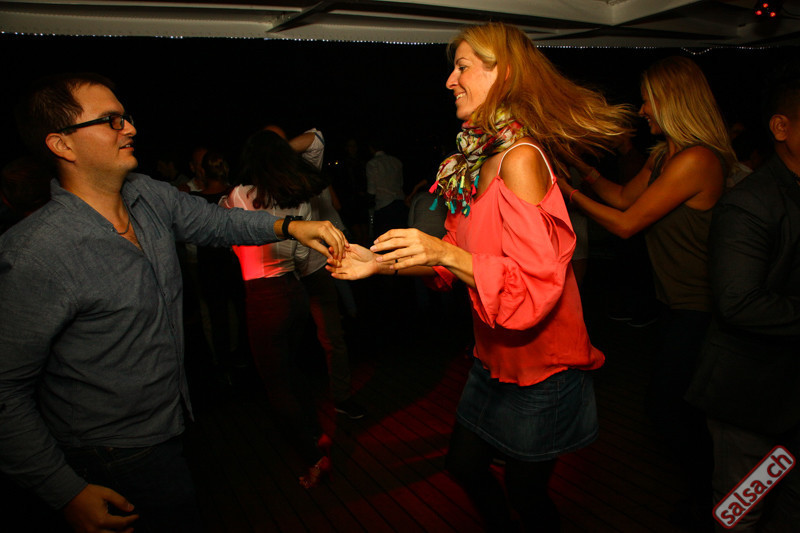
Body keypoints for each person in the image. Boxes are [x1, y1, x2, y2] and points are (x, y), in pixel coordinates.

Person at [0, 72, 346, 533]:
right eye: (111, 120)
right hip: (106, 455)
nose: (130, 128)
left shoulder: (147, 196)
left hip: (174, 424)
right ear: (62, 145)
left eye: (126, 117)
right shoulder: (35, 253)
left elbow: (218, 224)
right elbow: (5, 389)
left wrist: (288, 227)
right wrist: (63, 489)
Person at [328, 22, 630, 531]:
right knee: (464, 466)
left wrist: (443, 252)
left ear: (503, 74)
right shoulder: (477, 159)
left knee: (527, 496)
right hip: (492, 359)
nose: (450, 80)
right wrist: (380, 263)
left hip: (544, 368)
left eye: (463, 66)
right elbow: (454, 263)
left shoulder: (520, 159)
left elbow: (533, 284)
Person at [556, 56, 736, 526]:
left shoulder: (697, 159)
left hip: (701, 307)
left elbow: (625, 223)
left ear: (672, 100)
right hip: (674, 305)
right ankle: (710, 496)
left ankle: (715, 497)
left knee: (666, 408)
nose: (641, 110)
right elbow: (619, 196)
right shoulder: (662, 157)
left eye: (648, 99)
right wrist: (576, 167)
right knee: (683, 408)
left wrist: (565, 193)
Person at [686, 65, 800, 531]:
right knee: (743, 509)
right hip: (755, 400)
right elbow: (739, 301)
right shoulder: (751, 203)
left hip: (791, 395)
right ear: (781, 127)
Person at [221, 129, 333, 488]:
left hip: (263, 296)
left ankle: (313, 459)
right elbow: (300, 254)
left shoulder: (240, 195)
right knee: (292, 369)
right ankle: (315, 431)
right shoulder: (299, 202)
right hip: (293, 291)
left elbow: (224, 232)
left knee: (276, 384)